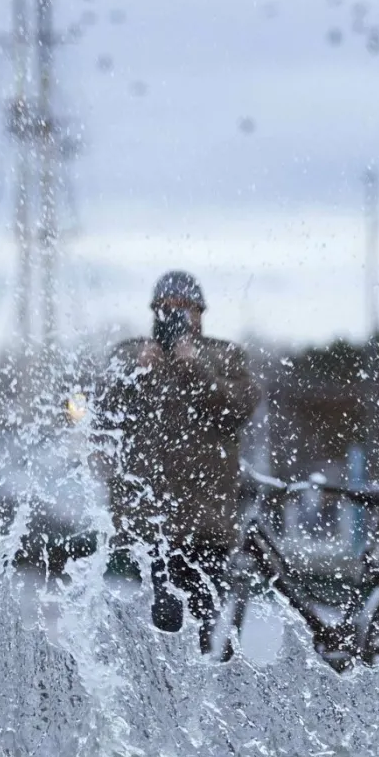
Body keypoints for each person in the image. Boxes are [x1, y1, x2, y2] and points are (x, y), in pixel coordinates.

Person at [97, 271, 260, 653]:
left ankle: (212, 704)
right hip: (151, 523)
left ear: (200, 313)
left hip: (208, 523)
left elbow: (238, 408)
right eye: (165, 308)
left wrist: (196, 369)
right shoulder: (129, 355)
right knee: (160, 628)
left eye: (183, 309)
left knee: (212, 629)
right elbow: (102, 411)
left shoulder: (225, 356)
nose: (173, 317)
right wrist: (138, 372)